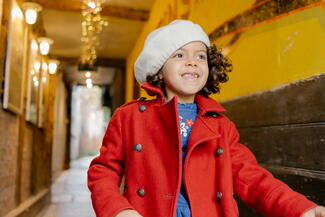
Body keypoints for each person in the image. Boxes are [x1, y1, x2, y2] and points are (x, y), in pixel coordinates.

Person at [87, 20, 325, 217]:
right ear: (159, 69)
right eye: (179, 54)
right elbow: (103, 171)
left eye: (201, 56)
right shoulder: (129, 118)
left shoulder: (222, 126)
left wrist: (299, 208)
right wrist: (118, 210)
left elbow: (252, 178)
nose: (192, 61)